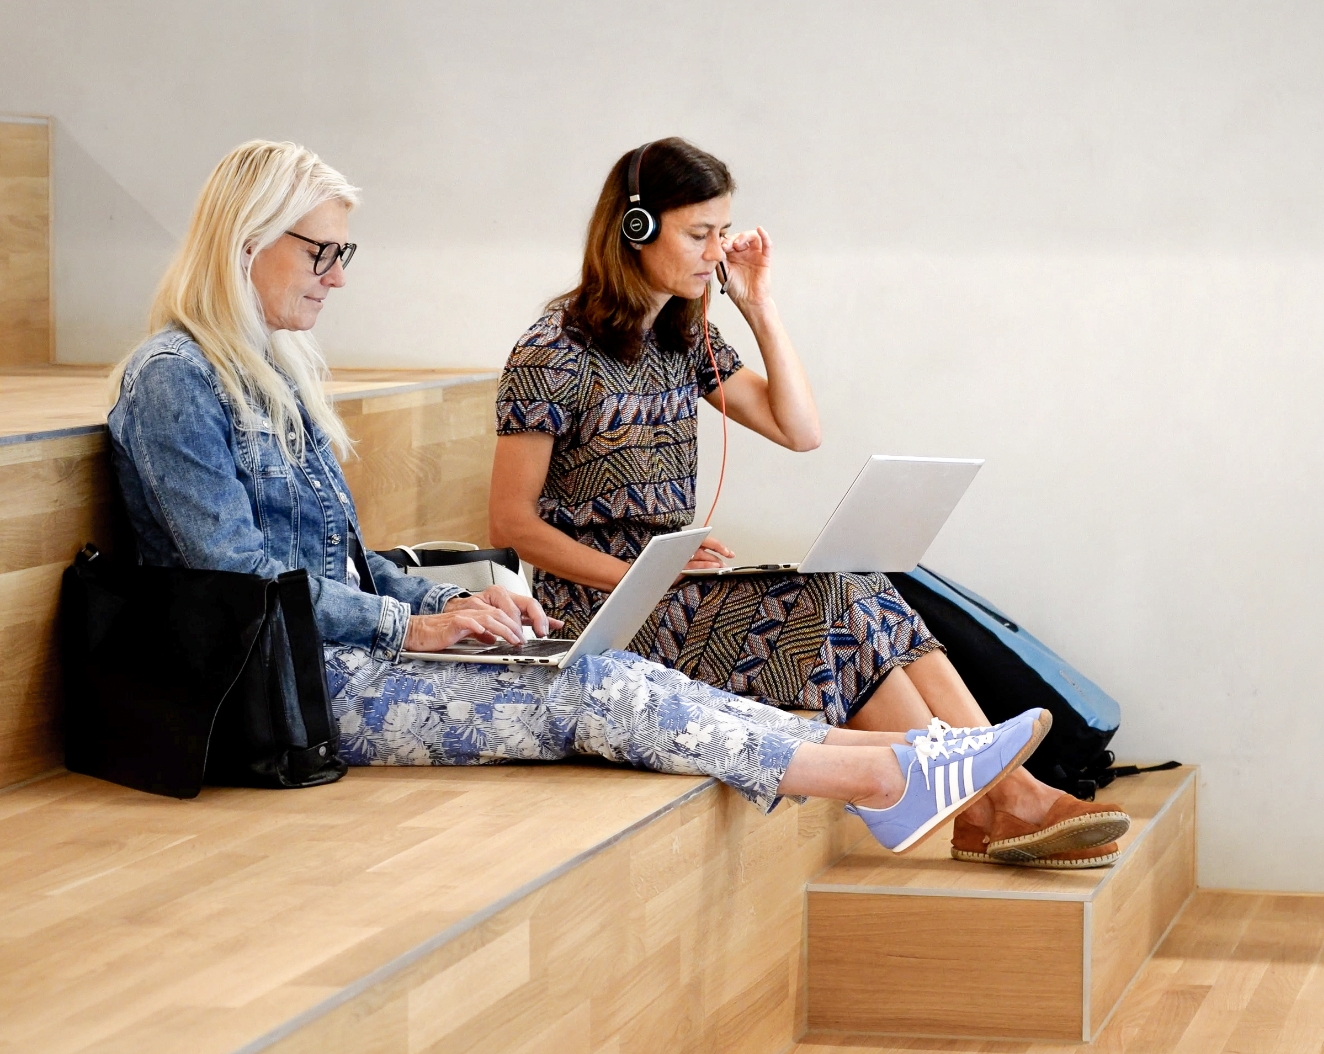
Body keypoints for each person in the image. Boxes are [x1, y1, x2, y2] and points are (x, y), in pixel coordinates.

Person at [104, 139, 1048, 856]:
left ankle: (916, 774)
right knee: (599, 688)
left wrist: (448, 602)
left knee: (633, 677)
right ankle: (902, 774)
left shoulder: (276, 374)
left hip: (343, 654)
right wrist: (413, 627)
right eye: (322, 253)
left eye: (344, 251)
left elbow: (337, 569)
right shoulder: (173, 381)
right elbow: (242, 587)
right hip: (297, 689)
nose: (340, 275)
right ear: (246, 241)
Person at [489, 139, 1129, 868]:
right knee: (822, 604)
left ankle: (1001, 801)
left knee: (855, 582)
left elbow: (800, 429)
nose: (715, 252)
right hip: (599, 611)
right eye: (699, 234)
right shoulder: (553, 352)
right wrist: (641, 578)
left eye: (721, 233)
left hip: (674, 589)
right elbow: (511, 524)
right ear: (635, 229)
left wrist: (759, 306)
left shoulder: (682, 339)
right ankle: (1003, 804)